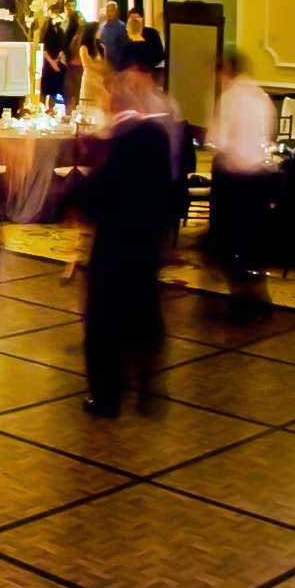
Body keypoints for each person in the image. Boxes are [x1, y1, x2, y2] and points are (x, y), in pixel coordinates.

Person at [78, 67, 176, 416]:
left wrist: (76, 191)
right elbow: (167, 188)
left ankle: (106, 397)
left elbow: (97, 195)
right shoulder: (156, 135)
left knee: (104, 322)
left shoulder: (114, 142)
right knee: (144, 311)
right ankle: (149, 386)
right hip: (147, 242)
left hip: (115, 246)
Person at [209, 49, 276, 320]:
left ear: (227, 69)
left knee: (230, 239)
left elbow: (220, 138)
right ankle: (260, 295)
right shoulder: (261, 96)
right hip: (260, 176)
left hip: (235, 177)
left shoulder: (231, 97)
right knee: (253, 238)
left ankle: (241, 299)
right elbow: (268, 134)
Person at [121, 7, 166, 78]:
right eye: (132, 19)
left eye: (137, 18)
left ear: (143, 19)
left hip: (148, 73)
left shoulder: (152, 33)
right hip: (130, 75)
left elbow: (159, 55)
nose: (134, 21)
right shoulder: (124, 36)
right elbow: (121, 58)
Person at [96, 0, 128, 70]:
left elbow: (124, 47)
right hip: (103, 65)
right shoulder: (101, 26)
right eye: (107, 11)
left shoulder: (122, 27)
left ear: (116, 12)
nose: (109, 13)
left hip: (116, 66)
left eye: (111, 11)